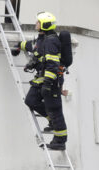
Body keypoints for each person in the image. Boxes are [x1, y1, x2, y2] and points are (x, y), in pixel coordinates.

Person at [19, 11, 67, 150]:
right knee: (31, 100)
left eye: (38, 22)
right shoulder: (43, 38)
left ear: (44, 25)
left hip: (50, 81)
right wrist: (18, 46)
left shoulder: (51, 41)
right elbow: (33, 47)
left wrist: (47, 84)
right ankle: (50, 120)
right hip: (41, 78)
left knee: (55, 109)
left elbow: (52, 65)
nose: (36, 24)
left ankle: (60, 141)